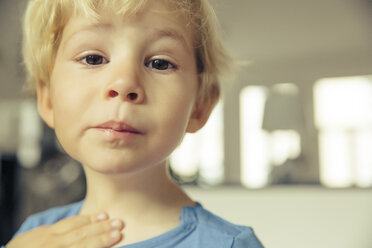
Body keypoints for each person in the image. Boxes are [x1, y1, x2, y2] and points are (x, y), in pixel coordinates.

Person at [5, 0, 264, 247]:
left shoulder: (228, 245)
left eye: (160, 63)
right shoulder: (34, 236)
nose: (124, 83)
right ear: (48, 98)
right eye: (93, 58)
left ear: (201, 104)